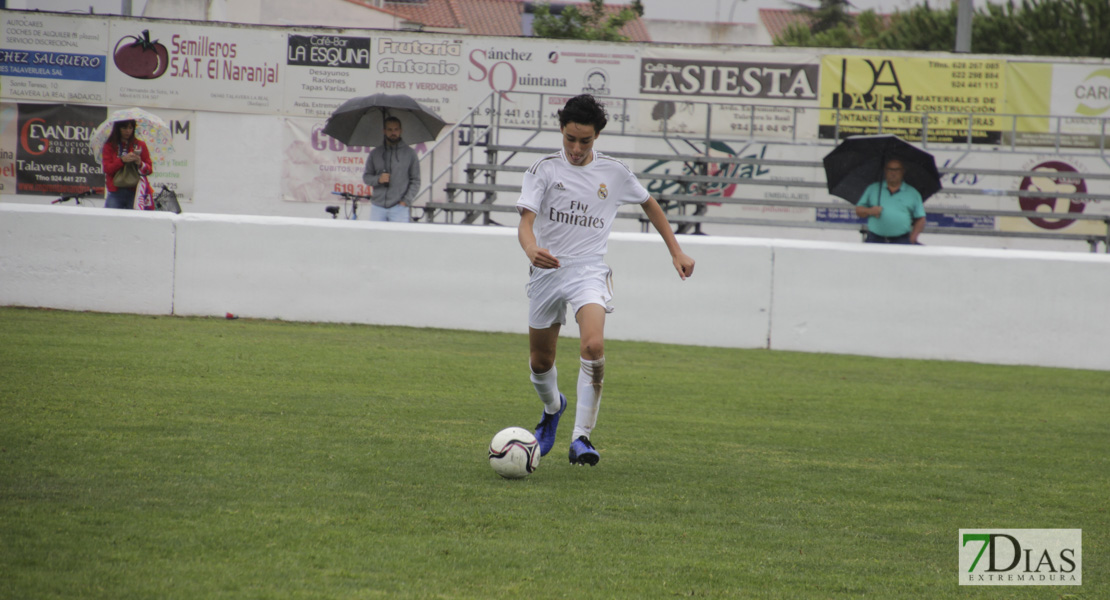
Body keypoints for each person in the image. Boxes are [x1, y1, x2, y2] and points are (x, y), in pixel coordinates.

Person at [517, 94, 696, 466]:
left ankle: (581, 438)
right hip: (547, 271)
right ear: (561, 131)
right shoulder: (543, 170)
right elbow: (525, 223)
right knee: (539, 361)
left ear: (597, 136)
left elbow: (650, 203)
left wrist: (675, 251)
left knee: (594, 346)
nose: (577, 148)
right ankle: (553, 409)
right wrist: (531, 248)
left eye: (585, 140)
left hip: (588, 271)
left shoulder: (614, 172)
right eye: (570, 139)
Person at [362, 116, 420, 222]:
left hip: (399, 208)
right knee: (375, 238)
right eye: (389, 129)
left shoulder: (410, 154)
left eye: (396, 129)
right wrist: (378, 179)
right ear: (384, 131)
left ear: (401, 131)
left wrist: (405, 202)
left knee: (398, 238)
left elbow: (415, 180)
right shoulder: (375, 153)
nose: (393, 133)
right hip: (378, 207)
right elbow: (366, 177)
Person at [855, 158, 926, 244]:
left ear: (903, 171)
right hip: (875, 238)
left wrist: (913, 237)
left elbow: (921, 218)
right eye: (890, 169)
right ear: (885, 171)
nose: (893, 173)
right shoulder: (873, 189)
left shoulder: (913, 193)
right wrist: (870, 211)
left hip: (902, 240)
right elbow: (858, 210)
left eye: (897, 170)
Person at [101, 120, 153, 210]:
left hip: (135, 192)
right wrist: (122, 160)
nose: (128, 131)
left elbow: (149, 170)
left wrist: (140, 163)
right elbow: (107, 169)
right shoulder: (109, 146)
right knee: (110, 221)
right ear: (117, 129)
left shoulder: (140, 145)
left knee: (135, 222)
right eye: (124, 128)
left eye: (130, 128)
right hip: (115, 191)